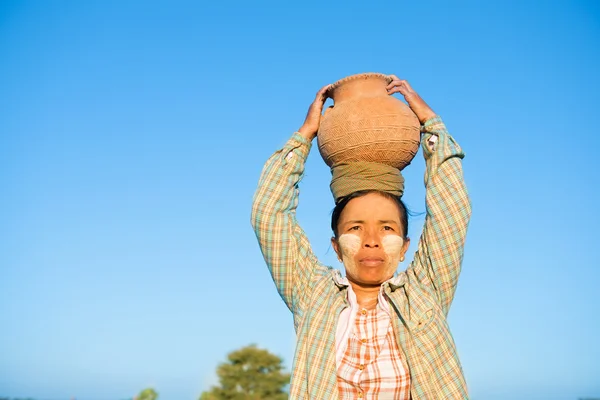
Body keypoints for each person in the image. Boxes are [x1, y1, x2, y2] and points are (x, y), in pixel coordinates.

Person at [251, 76, 472, 399]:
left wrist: (430, 124)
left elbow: (452, 211)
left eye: (387, 228)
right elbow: (268, 213)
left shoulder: (425, 291)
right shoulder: (312, 293)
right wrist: (305, 135)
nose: (372, 240)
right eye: (355, 228)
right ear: (336, 247)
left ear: (405, 247)